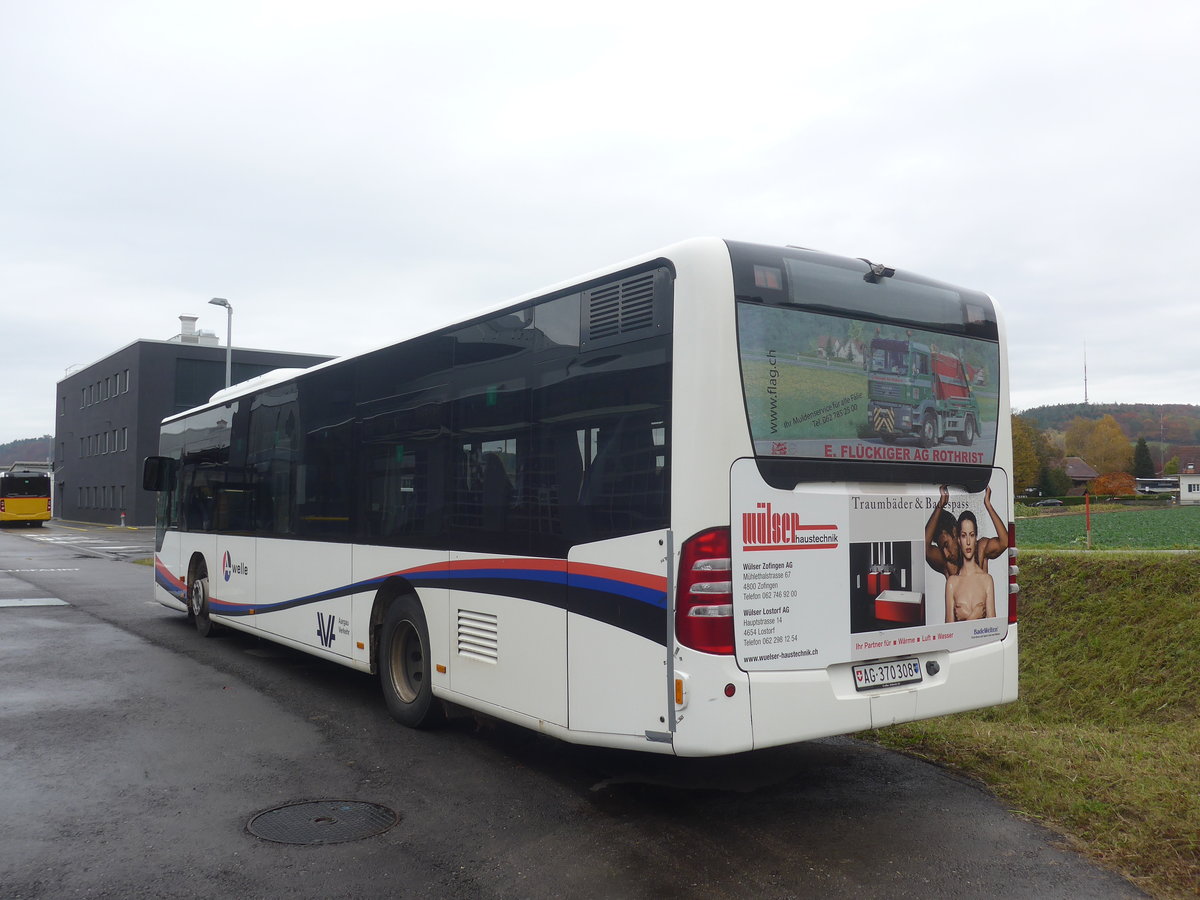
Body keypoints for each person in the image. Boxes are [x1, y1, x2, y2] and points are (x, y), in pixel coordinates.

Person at [924, 484, 1008, 576]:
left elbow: (1004, 542)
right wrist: (940, 505)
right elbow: (925, 548)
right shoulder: (948, 564)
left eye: (946, 545)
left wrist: (988, 505)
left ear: (955, 532)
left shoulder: (981, 548)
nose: (946, 554)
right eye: (942, 548)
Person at [945, 511, 996, 621]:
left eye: (971, 535)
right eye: (963, 536)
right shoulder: (952, 582)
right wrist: (974, 616)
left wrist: (968, 617)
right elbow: (948, 634)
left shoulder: (987, 580)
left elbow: (993, 629)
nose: (968, 541)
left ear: (976, 539)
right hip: (959, 639)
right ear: (958, 540)